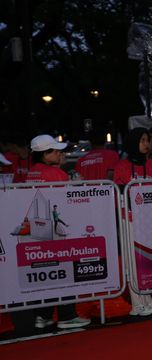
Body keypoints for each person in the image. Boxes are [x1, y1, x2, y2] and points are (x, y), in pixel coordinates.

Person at [26, 134, 91, 330]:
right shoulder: (56, 174)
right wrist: (78, 184)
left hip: (37, 229)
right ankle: (67, 316)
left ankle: (43, 315)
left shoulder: (31, 173)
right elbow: (69, 201)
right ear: (44, 154)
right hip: (57, 230)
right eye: (55, 151)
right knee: (64, 271)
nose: (59, 154)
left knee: (46, 273)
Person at [113, 128, 152, 316]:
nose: (146, 144)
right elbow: (118, 193)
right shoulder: (122, 166)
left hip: (149, 221)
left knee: (147, 261)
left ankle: (149, 298)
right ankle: (137, 303)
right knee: (132, 261)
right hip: (128, 220)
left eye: (147, 140)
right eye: (142, 140)